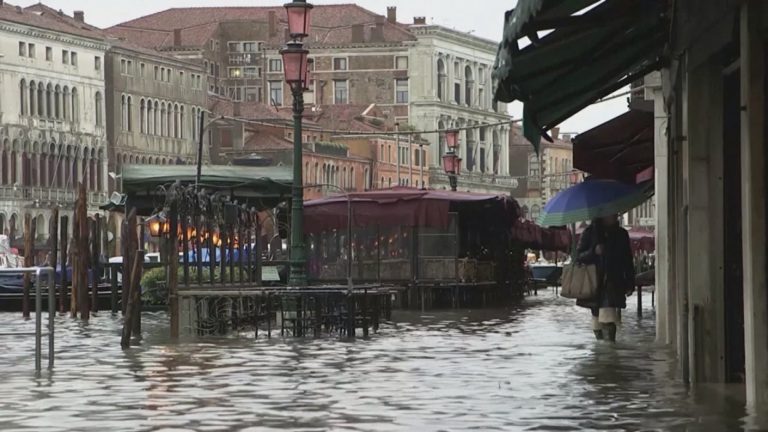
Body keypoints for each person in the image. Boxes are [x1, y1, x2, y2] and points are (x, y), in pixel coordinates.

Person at [576, 215, 635, 342]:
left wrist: (630, 282)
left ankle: (610, 354)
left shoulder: (621, 234)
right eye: (611, 214)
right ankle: (602, 353)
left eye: (616, 214)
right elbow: (578, 257)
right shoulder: (589, 233)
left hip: (613, 281)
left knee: (608, 317)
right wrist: (593, 251)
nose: (615, 216)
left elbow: (627, 260)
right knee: (596, 318)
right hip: (593, 282)